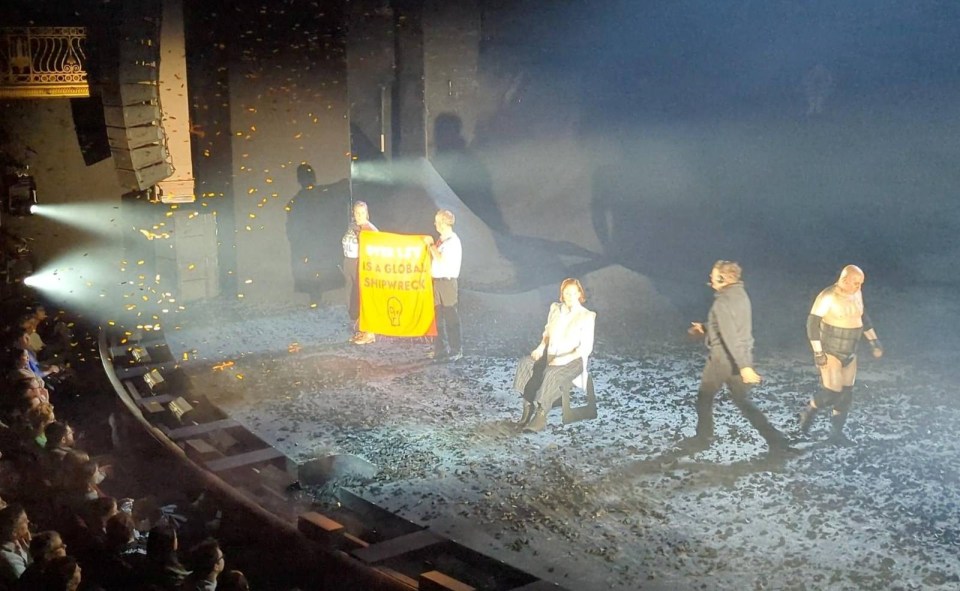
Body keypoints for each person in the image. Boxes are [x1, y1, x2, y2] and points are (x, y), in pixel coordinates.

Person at [678, 261, 793, 455]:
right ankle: (776, 440)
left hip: (722, 360)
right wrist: (706, 327)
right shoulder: (740, 295)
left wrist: (745, 367)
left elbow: (729, 335)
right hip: (740, 356)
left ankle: (703, 438)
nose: (711, 279)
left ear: (723, 278)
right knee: (743, 402)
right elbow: (728, 323)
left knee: (704, 399)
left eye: (714, 276)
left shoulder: (722, 302)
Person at [799, 264, 883, 445]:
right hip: (831, 350)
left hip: (850, 350)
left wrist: (874, 341)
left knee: (846, 394)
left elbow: (862, 317)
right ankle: (810, 410)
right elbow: (812, 324)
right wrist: (818, 352)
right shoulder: (828, 296)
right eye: (855, 283)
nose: (858, 287)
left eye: (860, 283)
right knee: (831, 392)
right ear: (844, 280)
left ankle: (836, 435)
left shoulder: (856, 294)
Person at [513, 278, 596, 433]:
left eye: (573, 293)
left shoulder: (586, 316)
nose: (569, 296)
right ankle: (527, 406)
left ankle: (541, 414)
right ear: (562, 294)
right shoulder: (555, 309)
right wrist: (540, 347)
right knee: (526, 363)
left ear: (579, 293)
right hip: (550, 355)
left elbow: (585, 349)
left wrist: (562, 359)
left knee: (550, 374)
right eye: (566, 293)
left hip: (573, 360)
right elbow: (547, 333)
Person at [423, 209, 463, 362]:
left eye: (437, 222)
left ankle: (456, 349)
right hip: (437, 281)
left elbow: (441, 259)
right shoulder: (442, 240)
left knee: (451, 316)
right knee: (436, 317)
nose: (435, 225)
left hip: (447, 282)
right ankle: (440, 348)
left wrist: (431, 245)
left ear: (444, 223)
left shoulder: (453, 242)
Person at [341, 201, 379, 345]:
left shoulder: (370, 230)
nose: (359, 215)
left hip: (361, 265)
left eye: (362, 213)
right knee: (353, 297)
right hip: (350, 263)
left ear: (367, 214)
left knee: (364, 297)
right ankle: (361, 329)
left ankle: (369, 332)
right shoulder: (352, 226)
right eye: (357, 212)